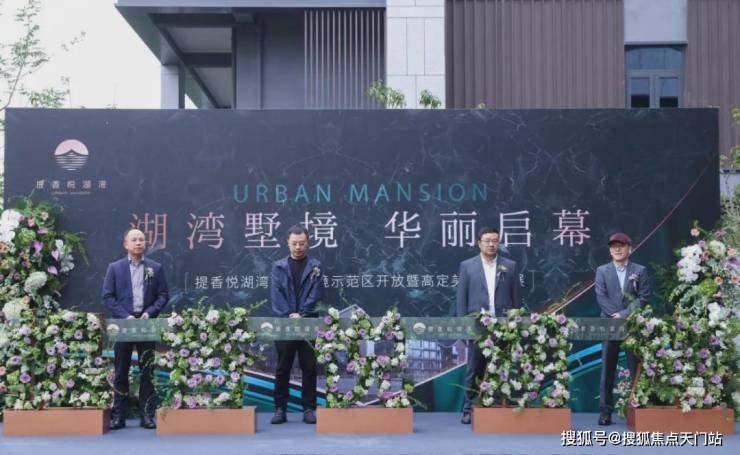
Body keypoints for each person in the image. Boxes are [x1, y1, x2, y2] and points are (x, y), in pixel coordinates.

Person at [102, 228, 169, 430]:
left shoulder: (155, 268)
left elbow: (163, 295)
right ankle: (118, 416)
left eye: (141, 239)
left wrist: (150, 312)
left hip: (146, 324)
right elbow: (108, 297)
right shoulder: (115, 268)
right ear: (126, 244)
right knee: (120, 371)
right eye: (134, 239)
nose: (138, 242)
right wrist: (125, 316)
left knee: (147, 371)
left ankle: (147, 415)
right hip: (124, 325)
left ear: (145, 243)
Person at [456, 226, 520, 424]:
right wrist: (463, 327)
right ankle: (468, 409)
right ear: (479, 243)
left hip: (503, 326)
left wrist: (514, 323)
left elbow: (516, 299)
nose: (491, 244)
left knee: (501, 367)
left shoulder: (510, 266)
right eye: (487, 241)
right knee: (474, 369)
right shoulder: (467, 266)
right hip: (477, 327)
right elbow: (461, 299)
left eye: (495, 240)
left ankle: (499, 405)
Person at [270, 225, 325, 425]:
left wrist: (301, 314)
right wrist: (289, 315)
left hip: (308, 323)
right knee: (282, 367)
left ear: (308, 243)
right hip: (284, 324)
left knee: (309, 367)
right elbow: (276, 295)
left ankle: (309, 409)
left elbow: (316, 294)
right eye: (294, 243)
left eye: (302, 243)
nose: (298, 247)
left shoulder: (316, 266)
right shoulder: (278, 267)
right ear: (287, 243)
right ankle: (280, 409)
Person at [594, 232, 650, 425]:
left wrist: (624, 314)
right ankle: (605, 412)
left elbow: (643, 297)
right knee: (607, 369)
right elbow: (601, 297)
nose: (617, 249)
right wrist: (616, 316)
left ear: (630, 249)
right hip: (610, 325)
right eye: (613, 246)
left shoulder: (640, 270)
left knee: (635, 368)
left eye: (621, 245)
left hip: (632, 325)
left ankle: (637, 409)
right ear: (610, 250)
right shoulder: (602, 270)